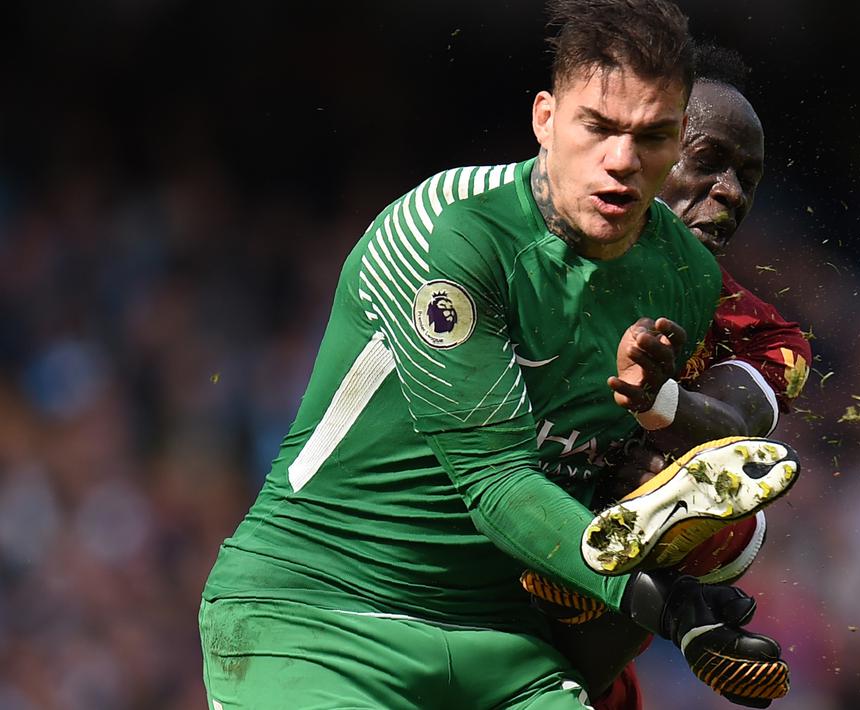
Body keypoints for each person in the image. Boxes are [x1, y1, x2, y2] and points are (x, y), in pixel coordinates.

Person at [198, 3, 793, 709]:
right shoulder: (449, 231)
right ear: (545, 118)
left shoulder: (686, 281)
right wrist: (662, 608)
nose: (622, 161)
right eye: (597, 127)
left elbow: (597, 499)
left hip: (504, 651)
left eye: (651, 135)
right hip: (322, 616)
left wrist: (687, 602)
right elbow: (499, 483)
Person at [520, 44, 811, 710]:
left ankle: (612, 567)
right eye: (707, 162)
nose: (731, 192)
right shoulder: (527, 262)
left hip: (578, 656)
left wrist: (658, 398)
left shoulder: (762, 329)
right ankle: (679, 610)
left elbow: (738, 425)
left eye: (748, 177)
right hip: (454, 562)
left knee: (731, 489)